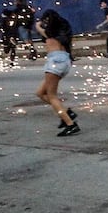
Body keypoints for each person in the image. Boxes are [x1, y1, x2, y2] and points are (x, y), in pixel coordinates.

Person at [35, 8, 79, 137]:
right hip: (63, 60)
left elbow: (44, 32)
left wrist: (38, 25)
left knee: (51, 95)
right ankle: (66, 112)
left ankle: (70, 124)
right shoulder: (62, 32)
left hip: (56, 61)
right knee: (40, 93)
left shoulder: (51, 32)